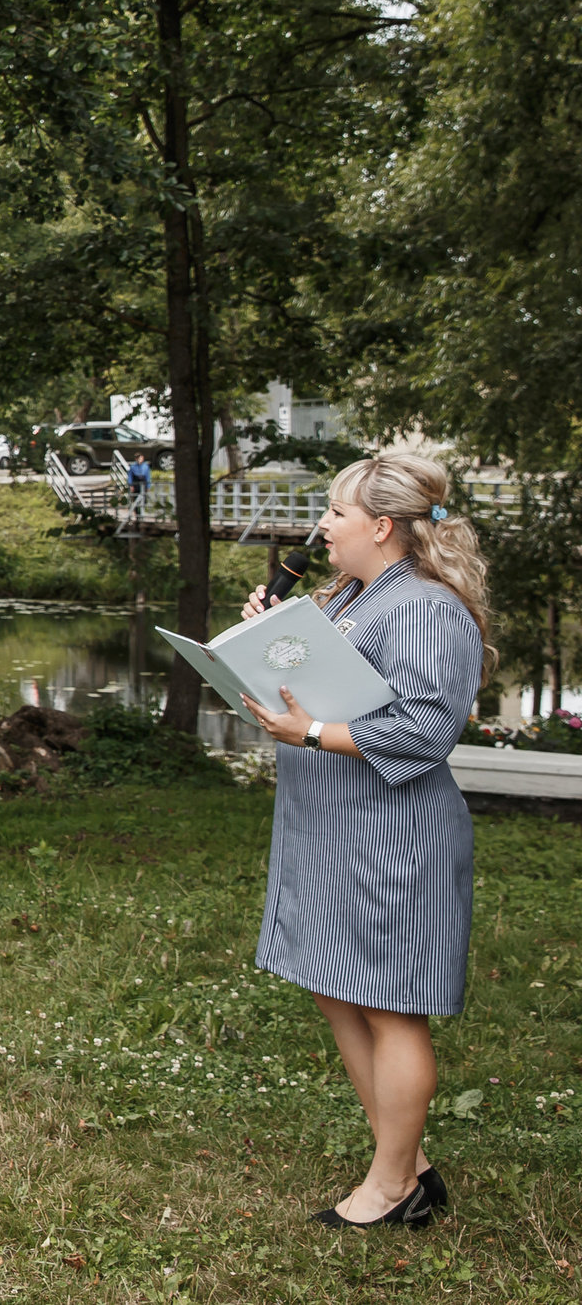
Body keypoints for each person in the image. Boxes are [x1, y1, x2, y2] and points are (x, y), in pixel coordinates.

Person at [236, 451, 491, 1229]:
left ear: (381, 526)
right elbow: (329, 684)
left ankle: (390, 1188)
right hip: (334, 823)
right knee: (337, 983)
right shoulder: (354, 594)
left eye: (336, 513)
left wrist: (308, 730)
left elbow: (424, 727)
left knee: (391, 1005)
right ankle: (405, 1161)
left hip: (391, 835)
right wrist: (267, 641)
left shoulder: (425, 607)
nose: (322, 525)